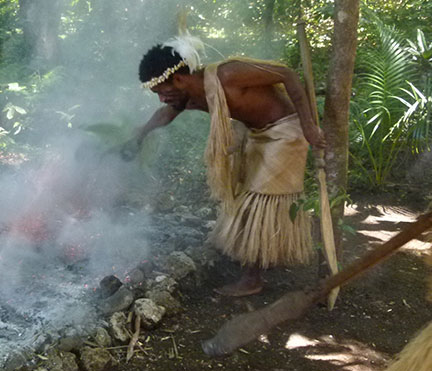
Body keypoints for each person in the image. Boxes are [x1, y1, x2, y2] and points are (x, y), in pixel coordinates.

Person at [123, 35, 326, 296]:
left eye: (161, 92)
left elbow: (286, 74)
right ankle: (261, 255)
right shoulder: (190, 96)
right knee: (244, 192)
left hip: (286, 133)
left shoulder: (228, 75)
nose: (162, 99)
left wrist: (309, 126)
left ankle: (253, 278)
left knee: (259, 200)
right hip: (255, 135)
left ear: (179, 79)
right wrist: (138, 137)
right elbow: (165, 114)